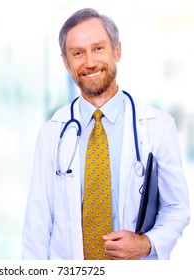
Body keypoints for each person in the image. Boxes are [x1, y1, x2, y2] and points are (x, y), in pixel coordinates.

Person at [22, 8, 190, 260]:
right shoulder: (52, 133)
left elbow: (177, 208)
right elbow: (37, 221)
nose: (89, 62)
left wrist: (146, 243)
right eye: (78, 53)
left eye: (98, 48)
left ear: (117, 51)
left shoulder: (157, 127)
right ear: (67, 64)